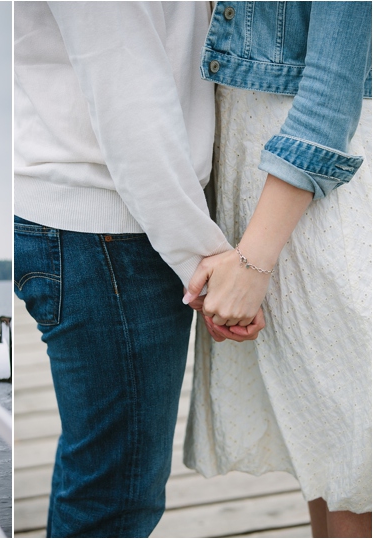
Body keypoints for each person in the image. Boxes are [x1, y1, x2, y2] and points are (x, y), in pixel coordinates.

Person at [14, 3, 263, 536]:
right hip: (112, 229)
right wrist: (205, 260)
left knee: (102, 474)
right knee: (116, 497)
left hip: (98, 222)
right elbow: (126, 91)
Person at [182, 2, 372, 537]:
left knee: (356, 463)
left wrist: (252, 260)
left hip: (312, 181)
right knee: (324, 456)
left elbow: (334, 85)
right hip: (253, 167)